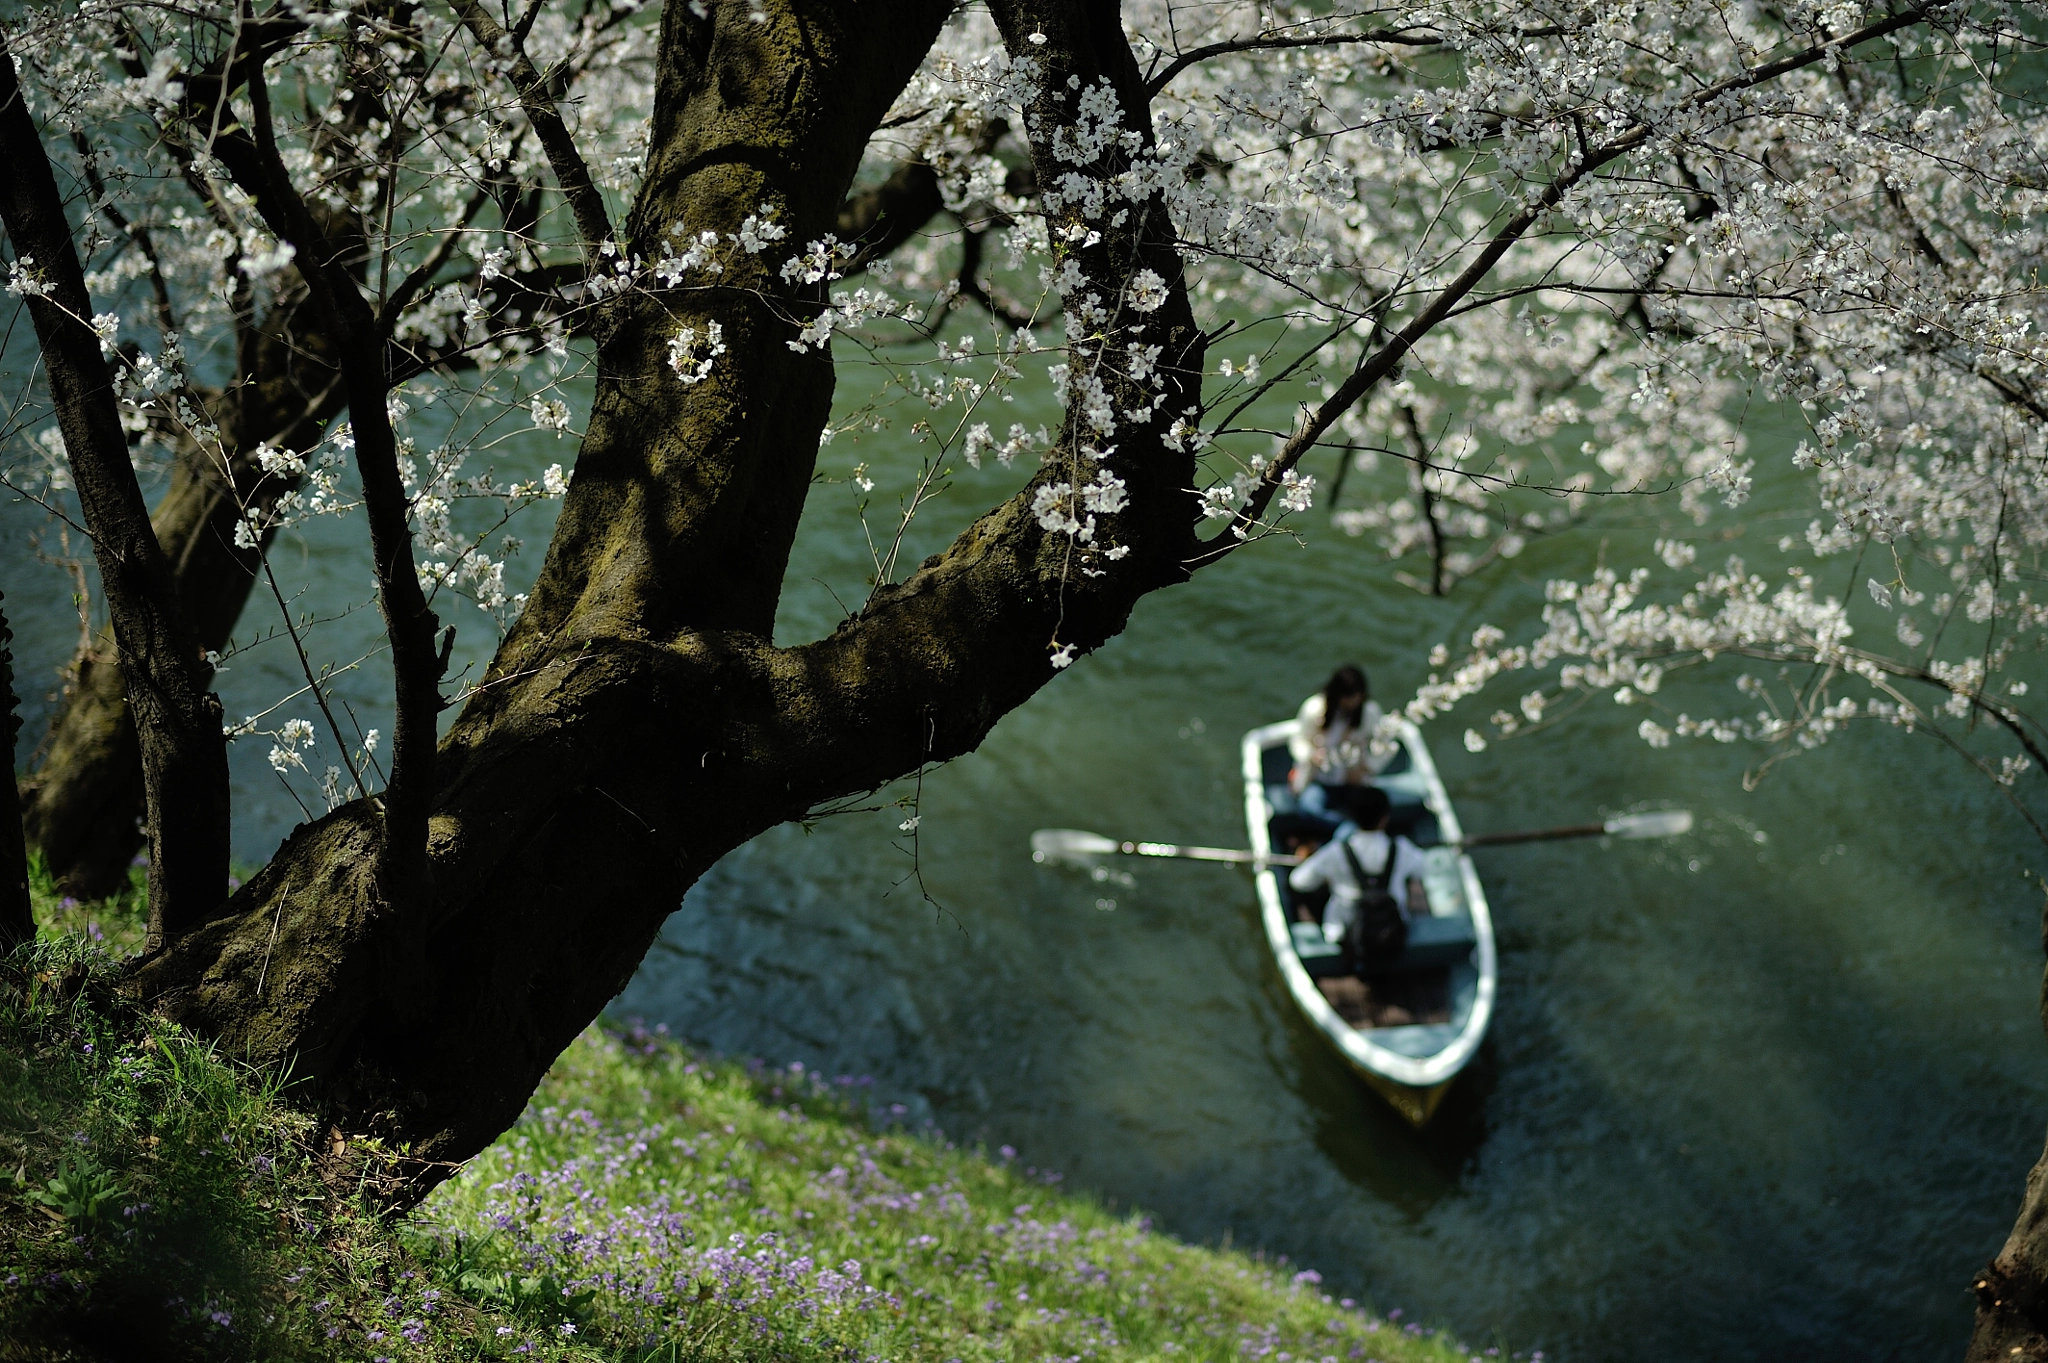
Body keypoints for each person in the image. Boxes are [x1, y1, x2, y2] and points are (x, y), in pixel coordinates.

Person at [1288, 786, 1429, 956]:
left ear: (1352, 818)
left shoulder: (1335, 852)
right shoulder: (1402, 848)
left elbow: (1298, 881)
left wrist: (1322, 872)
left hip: (1342, 931)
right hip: (1391, 928)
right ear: (1385, 818)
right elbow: (1423, 867)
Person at [1288, 663, 1386, 814]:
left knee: (1370, 809)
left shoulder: (1370, 712)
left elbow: (1383, 744)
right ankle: (1344, 829)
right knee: (1309, 808)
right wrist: (1312, 756)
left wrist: (1366, 767)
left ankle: (1343, 829)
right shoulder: (1314, 709)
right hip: (1320, 779)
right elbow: (1299, 740)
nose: (1353, 702)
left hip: (1352, 780)